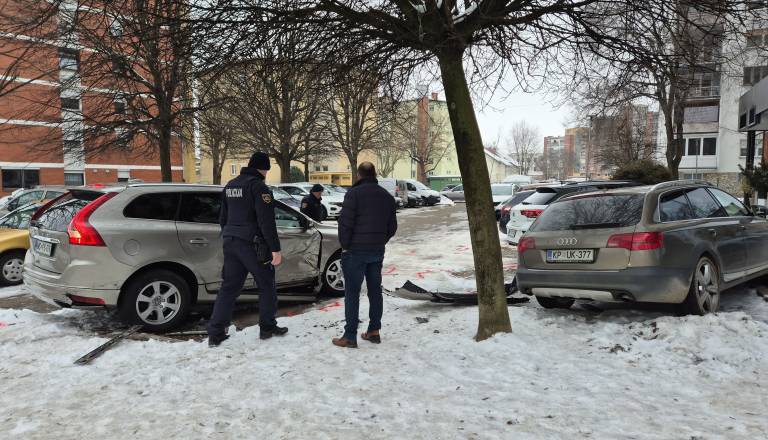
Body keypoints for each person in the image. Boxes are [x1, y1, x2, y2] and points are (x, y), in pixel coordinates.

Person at [206, 152, 287, 347]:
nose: (267, 173)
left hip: (231, 242)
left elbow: (222, 218)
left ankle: (216, 332)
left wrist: (229, 235)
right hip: (252, 244)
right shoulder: (258, 187)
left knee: (229, 287)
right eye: (266, 169)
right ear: (263, 168)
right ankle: (267, 326)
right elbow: (266, 221)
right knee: (266, 283)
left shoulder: (231, 185)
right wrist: (275, 249)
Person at [332, 162, 397, 348]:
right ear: (374, 174)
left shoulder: (354, 194)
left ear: (359, 175)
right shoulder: (386, 196)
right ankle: (374, 330)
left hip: (354, 252)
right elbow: (392, 227)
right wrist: (380, 241)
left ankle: (350, 336)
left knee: (352, 293)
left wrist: (346, 245)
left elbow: (345, 224)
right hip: (376, 251)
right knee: (375, 291)